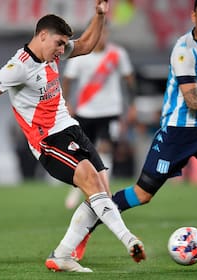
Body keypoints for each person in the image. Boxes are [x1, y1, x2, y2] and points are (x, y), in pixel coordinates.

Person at [0, 0, 145, 273]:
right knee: (91, 180)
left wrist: (99, 15)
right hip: (47, 141)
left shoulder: (53, 53)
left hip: (71, 128)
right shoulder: (19, 66)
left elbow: (87, 45)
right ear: (42, 36)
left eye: (65, 44)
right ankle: (129, 240)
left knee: (102, 190)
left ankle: (62, 255)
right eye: (59, 43)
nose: (63, 49)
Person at [72, 0, 197, 264]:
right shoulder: (183, 50)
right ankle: (84, 231)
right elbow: (192, 100)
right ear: (193, 16)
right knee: (141, 194)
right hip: (178, 132)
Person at [61, 20, 137, 209]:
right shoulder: (80, 55)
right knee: (82, 156)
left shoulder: (117, 54)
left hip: (111, 112)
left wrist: (133, 104)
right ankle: (77, 190)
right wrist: (66, 103)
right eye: (98, 32)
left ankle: (103, 194)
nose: (102, 36)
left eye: (105, 32)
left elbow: (129, 80)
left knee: (104, 150)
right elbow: (68, 80)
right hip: (85, 112)